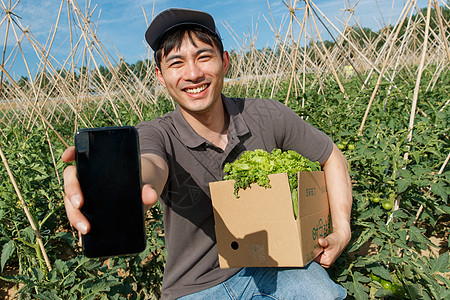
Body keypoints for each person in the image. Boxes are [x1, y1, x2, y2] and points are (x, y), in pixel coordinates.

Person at [62, 8, 352, 300]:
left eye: (203, 56)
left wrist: (342, 230)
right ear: (160, 76)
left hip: (273, 264)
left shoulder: (266, 114)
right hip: (195, 287)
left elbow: (330, 156)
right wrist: (125, 182)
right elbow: (149, 165)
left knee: (321, 294)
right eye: (176, 63)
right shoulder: (158, 134)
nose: (192, 73)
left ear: (224, 62)